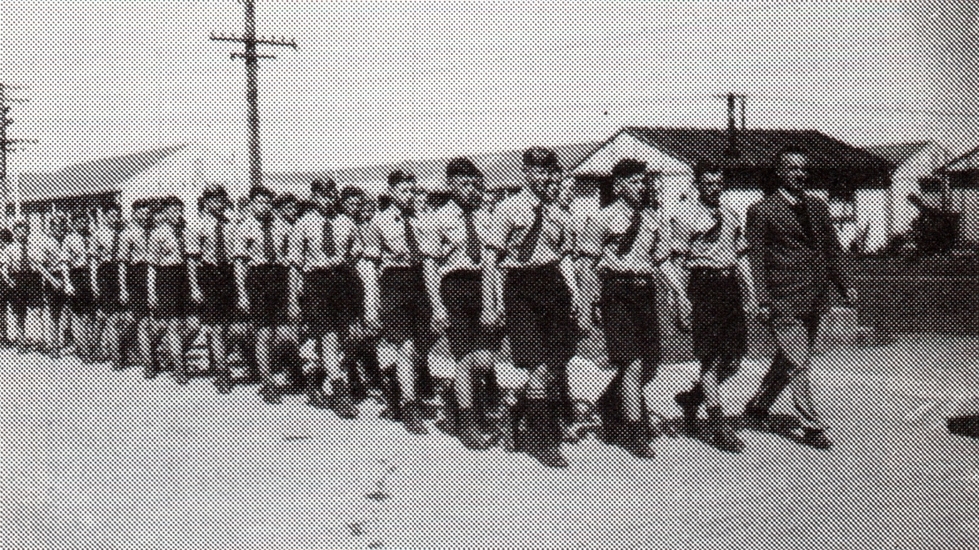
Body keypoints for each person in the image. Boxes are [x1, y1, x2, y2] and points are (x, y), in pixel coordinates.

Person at [742, 145, 855, 450]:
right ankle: (812, 426)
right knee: (800, 362)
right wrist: (763, 299)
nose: (800, 174)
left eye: (804, 168)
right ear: (779, 172)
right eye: (792, 168)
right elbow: (757, 260)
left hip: (814, 297)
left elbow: (832, 249)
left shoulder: (818, 206)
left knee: (789, 359)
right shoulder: (761, 210)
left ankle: (758, 406)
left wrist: (845, 284)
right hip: (782, 298)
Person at [486, 147, 577, 468]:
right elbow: (492, 260)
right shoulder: (507, 209)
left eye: (550, 171)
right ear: (526, 173)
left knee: (554, 363)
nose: (544, 177)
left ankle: (516, 410)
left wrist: (574, 292)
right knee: (537, 366)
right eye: (537, 171)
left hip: (552, 285)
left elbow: (564, 256)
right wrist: (491, 302)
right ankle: (544, 440)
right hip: (519, 287)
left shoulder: (560, 213)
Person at [579, 159, 670, 459]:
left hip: (645, 291)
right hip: (616, 291)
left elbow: (662, 261)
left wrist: (680, 294)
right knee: (629, 362)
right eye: (634, 182)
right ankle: (634, 432)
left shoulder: (653, 219)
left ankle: (608, 401)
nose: (641, 187)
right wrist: (591, 300)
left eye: (644, 181)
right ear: (618, 186)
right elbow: (588, 264)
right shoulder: (602, 218)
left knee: (652, 361)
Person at [667, 165, 755, 453]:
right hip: (702, 286)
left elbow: (741, 256)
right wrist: (680, 297)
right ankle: (718, 426)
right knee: (711, 358)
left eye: (718, 183)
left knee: (733, 360)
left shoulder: (731, 212)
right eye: (707, 183)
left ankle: (693, 398)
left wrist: (750, 292)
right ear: (698, 184)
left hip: (728, 287)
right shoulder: (684, 215)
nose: (713, 188)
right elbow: (677, 261)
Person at [421, 157, 501, 450]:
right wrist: (438, 306)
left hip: (483, 285)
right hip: (453, 287)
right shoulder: (437, 218)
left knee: (485, 359)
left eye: (473, 183)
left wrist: (495, 297)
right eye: (463, 184)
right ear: (450, 185)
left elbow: (495, 261)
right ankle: (467, 424)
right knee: (465, 358)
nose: (470, 189)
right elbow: (430, 266)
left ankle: (458, 402)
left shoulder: (486, 215)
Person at [291, 179, 363, 417]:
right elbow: (295, 265)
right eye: (322, 195)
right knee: (327, 335)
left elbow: (356, 253)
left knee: (345, 334)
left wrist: (344, 273)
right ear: (314, 197)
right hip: (316, 282)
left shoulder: (346, 221)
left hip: (341, 281)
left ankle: (318, 379)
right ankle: (338, 390)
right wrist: (295, 297)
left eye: (331, 195)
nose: (327, 199)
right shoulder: (303, 224)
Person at [369, 170, 433, 434]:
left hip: (420, 281)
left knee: (421, 344)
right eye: (404, 190)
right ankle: (410, 406)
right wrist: (373, 304)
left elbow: (430, 258)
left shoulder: (424, 219)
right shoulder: (379, 222)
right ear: (392, 191)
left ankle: (397, 386)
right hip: (394, 282)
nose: (410, 195)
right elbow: (371, 267)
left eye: (412, 189)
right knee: (405, 346)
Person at [234, 186, 292, 404]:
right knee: (264, 333)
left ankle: (281, 371)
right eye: (260, 202)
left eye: (268, 202)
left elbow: (290, 256)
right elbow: (240, 263)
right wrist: (242, 293)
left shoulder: (281, 225)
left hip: (279, 277)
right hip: (257, 278)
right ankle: (267, 382)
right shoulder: (244, 227)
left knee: (284, 332)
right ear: (251, 204)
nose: (264, 206)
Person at [187, 186, 237, 393]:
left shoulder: (230, 224)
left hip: (228, 275)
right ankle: (222, 372)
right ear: (206, 202)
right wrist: (195, 287)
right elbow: (191, 261)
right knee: (215, 326)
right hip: (208, 275)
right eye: (214, 200)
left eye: (221, 200)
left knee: (227, 326)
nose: (218, 204)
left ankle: (218, 361)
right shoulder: (196, 225)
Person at [147, 196, 190, 383]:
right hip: (166, 277)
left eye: (179, 210)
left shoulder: (186, 231)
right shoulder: (158, 233)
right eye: (173, 211)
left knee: (192, 324)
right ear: (164, 213)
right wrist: (151, 291)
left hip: (184, 277)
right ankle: (179, 369)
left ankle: (165, 352)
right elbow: (152, 266)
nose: (177, 214)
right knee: (172, 325)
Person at [92, 203, 127, 368]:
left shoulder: (122, 232)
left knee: (113, 315)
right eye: (111, 215)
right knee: (110, 316)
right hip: (105, 273)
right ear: (105, 216)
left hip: (120, 272)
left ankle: (105, 349)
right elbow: (93, 261)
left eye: (116, 215)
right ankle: (116, 358)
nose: (114, 218)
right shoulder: (98, 234)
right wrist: (94, 281)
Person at [62, 210, 98, 363]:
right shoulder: (69, 239)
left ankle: (90, 348)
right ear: (74, 223)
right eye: (79, 222)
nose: (83, 224)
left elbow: (94, 259)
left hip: (90, 276)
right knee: (78, 315)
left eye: (85, 221)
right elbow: (64, 264)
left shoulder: (90, 237)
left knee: (90, 315)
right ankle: (82, 350)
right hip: (75, 276)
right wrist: (68, 283)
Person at [0, 228, 12, 347]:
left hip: (4, 284)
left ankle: (3, 336)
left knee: (3, 311)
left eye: (5, 241)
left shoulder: (7, 250)